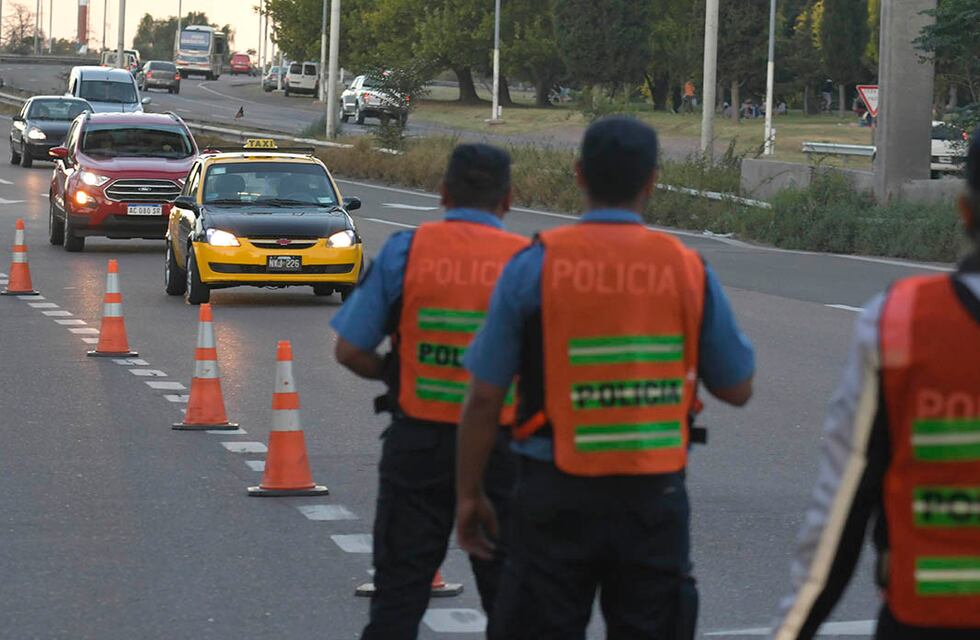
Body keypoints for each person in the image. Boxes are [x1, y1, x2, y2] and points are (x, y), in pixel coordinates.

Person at [454, 117, 756, 639]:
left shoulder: (535, 265)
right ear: (652, 180)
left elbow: (484, 397)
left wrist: (468, 495)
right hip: (652, 500)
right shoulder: (686, 269)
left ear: (578, 175)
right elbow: (737, 387)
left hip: (553, 496)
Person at [771, 131, 980, 640]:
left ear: (964, 210)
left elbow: (843, 502)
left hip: (931, 621)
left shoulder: (902, 319)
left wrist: (794, 629)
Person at [331, 143, 529, 640]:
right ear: (508, 199)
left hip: (417, 447)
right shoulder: (529, 263)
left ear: (442, 193)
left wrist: (398, 376)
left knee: (398, 600)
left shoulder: (406, 251)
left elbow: (350, 351)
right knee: (512, 606)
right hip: (503, 454)